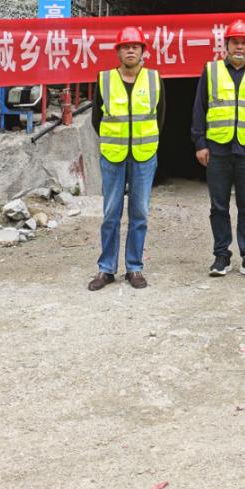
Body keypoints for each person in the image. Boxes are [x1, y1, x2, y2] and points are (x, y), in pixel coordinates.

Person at [191, 19, 245, 280]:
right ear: (226, 45)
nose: (239, 47)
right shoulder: (211, 71)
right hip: (217, 149)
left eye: (244, 42)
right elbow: (199, 108)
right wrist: (200, 143)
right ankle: (221, 257)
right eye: (235, 42)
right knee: (219, 206)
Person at [88, 27, 164, 291]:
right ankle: (106, 269)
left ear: (143, 51)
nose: (130, 50)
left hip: (144, 155)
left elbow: (160, 117)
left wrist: (145, 142)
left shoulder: (154, 79)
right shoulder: (105, 79)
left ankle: (134, 267)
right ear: (118, 51)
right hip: (113, 155)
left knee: (139, 212)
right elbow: (97, 119)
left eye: (135, 46)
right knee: (111, 213)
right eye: (125, 46)